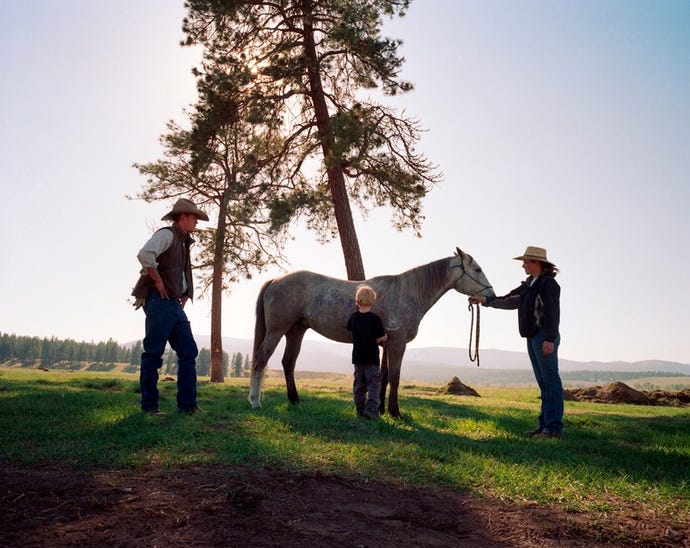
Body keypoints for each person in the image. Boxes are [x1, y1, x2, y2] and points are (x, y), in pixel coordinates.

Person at [469, 246, 563, 438]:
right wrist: (484, 300)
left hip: (544, 336)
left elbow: (553, 313)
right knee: (544, 383)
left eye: (526, 262)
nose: (523, 265)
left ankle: (553, 429)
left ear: (536, 263)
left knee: (550, 382)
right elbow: (508, 300)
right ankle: (544, 426)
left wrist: (550, 339)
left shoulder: (548, 284)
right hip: (533, 337)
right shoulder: (529, 284)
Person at [131, 198, 209, 415]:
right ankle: (149, 407)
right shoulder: (167, 234)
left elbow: (179, 271)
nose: (196, 222)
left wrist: (184, 293)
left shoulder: (184, 241)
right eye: (194, 217)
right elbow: (145, 254)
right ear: (182, 216)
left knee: (188, 352)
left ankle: (188, 406)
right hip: (158, 301)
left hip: (174, 304)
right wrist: (157, 281)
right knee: (154, 353)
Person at [346, 285, 388, 419]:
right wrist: (384, 337)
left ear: (357, 300)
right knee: (373, 385)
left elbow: (349, 328)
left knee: (359, 385)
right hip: (372, 358)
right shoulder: (375, 319)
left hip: (357, 357)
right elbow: (380, 336)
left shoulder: (354, 317)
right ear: (372, 300)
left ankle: (360, 410)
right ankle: (371, 411)